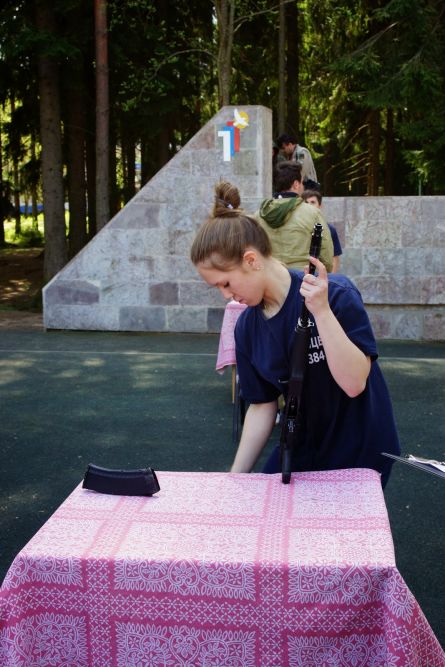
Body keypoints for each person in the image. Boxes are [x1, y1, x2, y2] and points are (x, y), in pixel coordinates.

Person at [190, 181, 401, 488]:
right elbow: (262, 405)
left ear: (251, 260)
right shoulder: (246, 328)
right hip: (301, 447)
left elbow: (355, 383)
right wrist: (234, 481)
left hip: (360, 448)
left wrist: (322, 312)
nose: (226, 296)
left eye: (225, 283)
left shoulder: (336, 295)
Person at [255, 161, 334, 272]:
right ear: (296, 184)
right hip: (302, 278)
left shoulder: (259, 215)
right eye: (302, 182)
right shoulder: (312, 213)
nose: (303, 186)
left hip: (271, 277)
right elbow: (325, 251)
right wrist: (324, 271)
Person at [301, 189, 343, 273]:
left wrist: (330, 278)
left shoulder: (330, 229)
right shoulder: (297, 228)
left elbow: (334, 258)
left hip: (320, 275)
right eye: (306, 203)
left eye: (313, 202)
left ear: (320, 206)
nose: (309, 206)